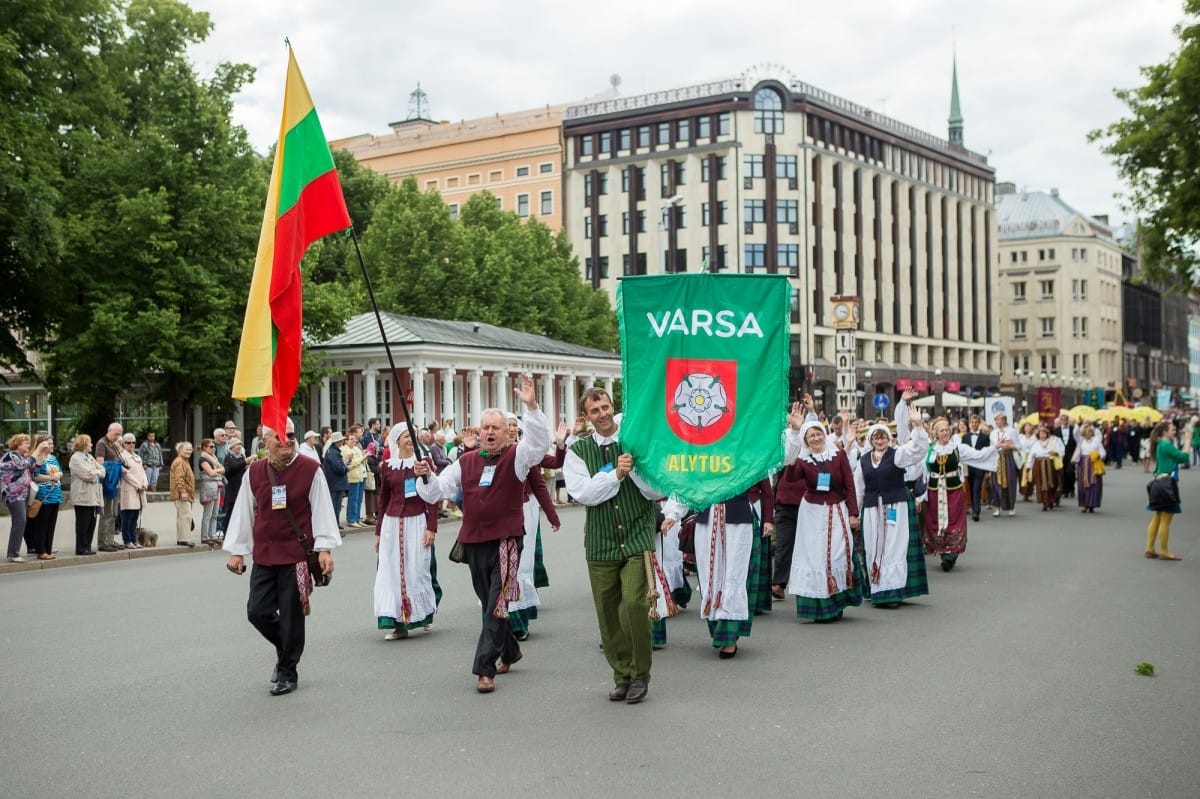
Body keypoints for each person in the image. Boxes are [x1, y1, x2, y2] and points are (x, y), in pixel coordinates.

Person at [414, 374, 547, 695]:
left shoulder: (518, 457)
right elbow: (437, 491)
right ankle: (511, 649)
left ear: (505, 432)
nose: (490, 432)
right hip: (473, 541)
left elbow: (540, 444)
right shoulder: (466, 461)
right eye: (485, 427)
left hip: (506, 540)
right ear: (477, 431)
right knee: (488, 599)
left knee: (496, 604)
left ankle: (485, 669)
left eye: (496, 428)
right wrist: (427, 476)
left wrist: (531, 407)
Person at [224, 418, 341, 696]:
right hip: (265, 553)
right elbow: (245, 512)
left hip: (296, 555)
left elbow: (323, 509)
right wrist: (238, 551)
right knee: (258, 612)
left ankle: (287, 669)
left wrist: (324, 547)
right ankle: (285, 646)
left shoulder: (311, 469)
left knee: (291, 616)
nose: (286, 440)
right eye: (279, 436)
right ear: (265, 442)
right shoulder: (253, 472)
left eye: (290, 435)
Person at [563, 386, 662, 701]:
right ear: (587, 417)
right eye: (595, 411)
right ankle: (622, 674)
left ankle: (641, 673)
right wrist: (616, 474)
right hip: (601, 542)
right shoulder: (578, 452)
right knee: (607, 615)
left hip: (637, 536)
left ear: (612, 406)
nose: (602, 414)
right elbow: (584, 494)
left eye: (605, 407)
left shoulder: (635, 440)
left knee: (633, 604)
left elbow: (655, 490)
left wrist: (632, 472)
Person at [662, 478, 774, 657]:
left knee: (735, 578)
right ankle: (720, 630)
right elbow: (688, 484)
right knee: (710, 577)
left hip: (739, 521)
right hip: (707, 520)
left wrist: (768, 518)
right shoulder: (704, 456)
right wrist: (672, 514)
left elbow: (778, 460)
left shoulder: (747, 452)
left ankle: (729, 635)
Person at [782, 400, 864, 623]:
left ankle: (837, 602)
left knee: (837, 554)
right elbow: (789, 479)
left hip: (837, 511)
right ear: (806, 441)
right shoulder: (802, 460)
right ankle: (818, 607)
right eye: (811, 436)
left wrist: (854, 513)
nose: (816, 439)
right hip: (812, 514)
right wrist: (795, 434)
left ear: (824, 435)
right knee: (814, 558)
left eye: (818, 434)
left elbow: (849, 485)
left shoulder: (837, 456)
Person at [854, 390, 930, 607]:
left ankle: (892, 591)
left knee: (894, 547)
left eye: (883, 436)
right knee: (872, 546)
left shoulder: (896, 454)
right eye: (876, 437)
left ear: (889, 439)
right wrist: (854, 513)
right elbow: (859, 488)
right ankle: (876, 588)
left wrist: (917, 426)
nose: (880, 440)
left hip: (895, 504)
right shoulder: (864, 461)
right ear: (870, 439)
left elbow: (918, 450)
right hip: (870, 509)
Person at [374, 425, 439, 639]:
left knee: (418, 570)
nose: (410, 440)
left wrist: (431, 527)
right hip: (392, 523)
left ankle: (424, 614)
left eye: (412, 436)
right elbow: (383, 500)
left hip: (416, 521)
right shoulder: (388, 467)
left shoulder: (423, 463)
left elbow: (432, 496)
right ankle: (398, 622)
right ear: (397, 441)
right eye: (405, 437)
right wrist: (378, 532)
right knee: (392, 572)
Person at [920, 415, 1006, 571]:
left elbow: (978, 455)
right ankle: (942, 551)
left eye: (947, 430)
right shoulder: (929, 449)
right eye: (942, 430)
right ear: (936, 433)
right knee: (935, 521)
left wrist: (995, 447)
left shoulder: (957, 447)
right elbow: (921, 470)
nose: (945, 433)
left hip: (953, 492)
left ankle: (951, 555)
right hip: (934, 492)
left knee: (954, 520)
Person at [1145, 421, 1189, 561]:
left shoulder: (1160, 444)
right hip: (1167, 484)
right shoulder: (1166, 445)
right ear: (1164, 431)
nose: (1174, 432)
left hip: (1158, 482)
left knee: (1157, 517)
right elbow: (1184, 457)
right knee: (1165, 519)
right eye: (1172, 430)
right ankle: (1164, 551)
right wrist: (1188, 440)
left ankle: (1150, 548)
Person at [26, 434, 64, 560]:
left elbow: (60, 472)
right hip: (43, 495)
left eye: (52, 443)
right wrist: (51, 477)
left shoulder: (53, 458)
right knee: (42, 524)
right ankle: (41, 550)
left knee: (51, 524)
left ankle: (48, 549)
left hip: (55, 494)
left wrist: (58, 474)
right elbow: (35, 476)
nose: (51, 446)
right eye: (49, 443)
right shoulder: (38, 458)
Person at [68, 434, 107, 555]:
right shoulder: (75, 459)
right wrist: (96, 473)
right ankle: (81, 547)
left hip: (93, 496)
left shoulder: (89, 457)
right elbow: (86, 475)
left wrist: (95, 472)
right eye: (89, 443)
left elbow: (103, 471)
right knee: (83, 524)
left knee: (91, 523)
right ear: (84, 444)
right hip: (82, 496)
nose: (91, 445)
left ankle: (88, 546)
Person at [2, 434, 38, 562]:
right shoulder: (10, 456)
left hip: (22, 494)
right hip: (13, 494)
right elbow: (24, 464)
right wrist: (36, 452)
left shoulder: (21, 456)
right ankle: (13, 553)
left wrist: (40, 456)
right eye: (26, 443)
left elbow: (33, 467)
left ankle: (13, 551)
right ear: (18, 444)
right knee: (20, 521)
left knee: (19, 521)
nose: (28, 445)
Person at [95, 422, 124, 552]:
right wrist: (115, 466)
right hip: (108, 483)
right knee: (107, 513)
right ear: (109, 430)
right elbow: (100, 463)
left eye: (120, 434)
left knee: (114, 513)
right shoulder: (102, 443)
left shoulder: (113, 444)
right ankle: (103, 542)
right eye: (116, 434)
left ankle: (110, 540)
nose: (118, 437)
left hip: (115, 482)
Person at [117, 433, 149, 548]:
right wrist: (138, 485)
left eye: (133, 442)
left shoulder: (137, 457)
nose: (131, 444)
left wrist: (144, 484)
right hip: (129, 490)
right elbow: (126, 475)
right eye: (128, 442)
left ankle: (134, 539)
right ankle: (127, 540)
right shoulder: (122, 457)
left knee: (135, 517)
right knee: (127, 517)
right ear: (124, 444)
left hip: (139, 490)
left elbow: (143, 473)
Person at [990, 413, 1021, 517]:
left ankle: (1011, 506)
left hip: (1008, 457)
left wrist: (1011, 446)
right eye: (996, 420)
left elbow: (1018, 446)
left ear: (1004, 420)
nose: (997, 422)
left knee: (1010, 481)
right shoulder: (993, 433)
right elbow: (992, 446)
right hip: (997, 458)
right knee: (995, 482)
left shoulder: (1011, 431)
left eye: (999, 420)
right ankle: (997, 507)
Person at [196, 438, 225, 548]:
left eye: (214, 447)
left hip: (216, 486)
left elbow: (221, 470)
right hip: (209, 487)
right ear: (204, 448)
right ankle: (205, 537)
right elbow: (211, 473)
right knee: (208, 513)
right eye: (211, 447)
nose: (213, 449)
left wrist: (217, 471)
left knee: (215, 513)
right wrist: (218, 471)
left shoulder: (213, 458)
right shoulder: (203, 459)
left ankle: (212, 535)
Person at [1025, 426, 1062, 512]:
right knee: (1041, 484)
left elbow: (1060, 452)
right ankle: (1044, 503)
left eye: (1044, 433)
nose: (1042, 435)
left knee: (1052, 483)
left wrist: (1056, 453)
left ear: (1047, 434)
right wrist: (1028, 468)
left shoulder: (1052, 442)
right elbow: (1031, 456)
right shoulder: (1036, 444)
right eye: (1041, 433)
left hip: (1050, 464)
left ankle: (1051, 500)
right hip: (1039, 465)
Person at [962, 414, 990, 522]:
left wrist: (987, 470)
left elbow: (987, 453)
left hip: (980, 465)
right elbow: (963, 452)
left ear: (979, 424)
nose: (974, 424)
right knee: (971, 486)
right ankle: (974, 507)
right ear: (970, 424)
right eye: (972, 422)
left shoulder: (985, 437)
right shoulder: (965, 437)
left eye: (976, 422)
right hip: (969, 466)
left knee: (977, 487)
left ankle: (976, 511)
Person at [1073, 423, 1105, 513]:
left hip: (1094, 463)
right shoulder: (1081, 440)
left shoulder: (1096, 441)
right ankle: (1083, 504)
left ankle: (1092, 504)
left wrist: (1098, 456)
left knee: (1094, 484)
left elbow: (1102, 452)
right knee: (1082, 484)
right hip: (1083, 463)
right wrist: (1080, 424)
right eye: (1086, 432)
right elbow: (1075, 433)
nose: (1088, 433)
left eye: (1090, 432)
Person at [170, 441, 196, 548]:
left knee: (182, 517)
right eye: (186, 449)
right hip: (182, 494)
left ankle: (181, 539)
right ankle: (184, 539)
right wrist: (183, 492)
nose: (189, 451)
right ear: (180, 450)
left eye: (190, 449)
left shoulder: (184, 461)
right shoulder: (180, 462)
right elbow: (179, 478)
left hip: (184, 493)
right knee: (186, 516)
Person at [342, 425, 368, 527]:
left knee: (359, 499)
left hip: (361, 475)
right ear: (346, 441)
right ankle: (351, 519)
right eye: (351, 439)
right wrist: (363, 458)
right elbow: (351, 464)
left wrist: (364, 457)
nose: (353, 441)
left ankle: (357, 518)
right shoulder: (345, 450)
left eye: (354, 439)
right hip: (353, 477)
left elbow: (361, 460)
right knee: (353, 499)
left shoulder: (356, 448)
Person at [321, 431, 348, 528]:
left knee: (336, 506)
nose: (342, 442)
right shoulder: (333, 453)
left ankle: (335, 524)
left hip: (335, 483)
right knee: (334, 506)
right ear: (337, 442)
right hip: (335, 483)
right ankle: (333, 526)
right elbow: (339, 468)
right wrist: (346, 467)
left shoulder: (332, 452)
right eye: (341, 440)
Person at [223, 438, 248, 521]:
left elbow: (242, 468)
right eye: (237, 445)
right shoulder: (228, 457)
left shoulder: (241, 456)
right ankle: (226, 530)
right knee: (231, 511)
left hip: (241, 487)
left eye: (240, 444)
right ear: (232, 446)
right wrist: (245, 462)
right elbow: (233, 467)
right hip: (232, 488)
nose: (239, 447)